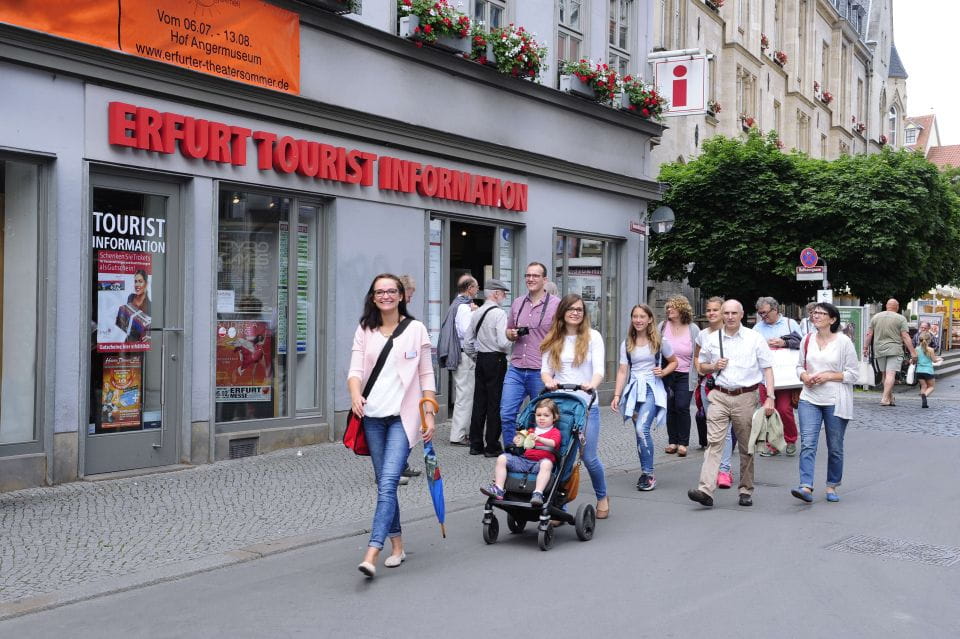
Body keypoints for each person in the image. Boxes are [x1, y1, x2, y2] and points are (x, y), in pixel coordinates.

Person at [349, 274, 436, 578]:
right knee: (384, 483)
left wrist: (429, 412)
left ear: (401, 296)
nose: (385, 295)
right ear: (373, 297)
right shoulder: (365, 330)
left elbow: (427, 375)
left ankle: (372, 552)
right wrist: (355, 394)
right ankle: (397, 547)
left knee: (388, 483)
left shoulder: (416, 330)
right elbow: (355, 371)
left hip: (403, 418)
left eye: (391, 291)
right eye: (379, 292)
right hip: (372, 417)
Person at [688, 300, 776, 508]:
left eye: (733, 313)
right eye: (726, 313)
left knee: (746, 446)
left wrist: (770, 396)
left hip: (746, 396)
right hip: (719, 395)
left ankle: (745, 489)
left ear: (742, 314)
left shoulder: (754, 338)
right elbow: (701, 368)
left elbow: (768, 368)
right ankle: (705, 490)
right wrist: (712, 365)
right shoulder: (711, 338)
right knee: (714, 443)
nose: (729, 317)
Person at [540, 294, 609, 518]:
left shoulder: (592, 337)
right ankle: (560, 507)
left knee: (588, 456)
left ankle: (602, 496)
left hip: (586, 405)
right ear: (562, 312)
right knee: (562, 457)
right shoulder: (554, 338)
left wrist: (592, 384)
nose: (576, 312)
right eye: (571, 309)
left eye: (579, 309)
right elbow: (545, 369)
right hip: (561, 406)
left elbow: (599, 369)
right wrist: (548, 381)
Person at [791, 302, 859, 504]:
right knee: (808, 444)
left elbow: (853, 374)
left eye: (821, 313)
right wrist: (803, 376)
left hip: (835, 400)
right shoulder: (807, 339)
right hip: (809, 398)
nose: (816, 316)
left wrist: (829, 376)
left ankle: (832, 485)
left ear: (833, 319)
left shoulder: (844, 342)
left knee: (835, 446)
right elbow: (798, 366)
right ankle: (805, 486)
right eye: (814, 312)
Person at [611, 304, 677, 492]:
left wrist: (663, 371)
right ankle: (645, 472)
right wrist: (617, 395)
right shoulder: (627, 343)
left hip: (652, 390)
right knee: (639, 434)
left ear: (649, 319)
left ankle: (649, 473)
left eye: (642, 316)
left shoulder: (659, 341)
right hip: (633, 391)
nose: (638, 320)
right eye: (635, 316)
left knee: (642, 428)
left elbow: (674, 362)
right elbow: (623, 370)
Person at [500, 262, 560, 447]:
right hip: (517, 367)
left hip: (540, 370)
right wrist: (510, 334)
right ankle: (512, 452)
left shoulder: (556, 305)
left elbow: (562, 336)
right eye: (528, 275)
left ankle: (539, 456)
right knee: (506, 413)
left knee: (542, 417)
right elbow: (509, 330)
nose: (531, 279)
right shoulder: (518, 303)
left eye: (535, 276)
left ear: (544, 279)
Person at [480, 398, 562, 506]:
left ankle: (538, 493)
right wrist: (517, 441)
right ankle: (498, 488)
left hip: (540, 464)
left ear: (554, 417)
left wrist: (540, 439)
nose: (542, 418)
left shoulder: (555, 432)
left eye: (546, 415)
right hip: (525, 461)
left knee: (547, 463)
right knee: (502, 458)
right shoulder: (530, 431)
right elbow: (522, 443)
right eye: (539, 415)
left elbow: (553, 443)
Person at [465, 279, 512, 457]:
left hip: (482, 359)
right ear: (496, 294)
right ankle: (491, 445)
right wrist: (512, 339)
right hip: (496, 359)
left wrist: (476, 356)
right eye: (503, 293)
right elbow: (503, 342)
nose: (505, 296)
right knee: (495, 402)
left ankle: (475, 444)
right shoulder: (499, 314)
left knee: (479, 402)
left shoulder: (477, 312)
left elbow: (468, 341)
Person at [694, 296, 736, 489]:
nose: (711, 313)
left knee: (725, 431)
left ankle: (724, 470)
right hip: (708, 386)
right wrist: (704, 369)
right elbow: (697, 358)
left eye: (715, 310)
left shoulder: (732, 333)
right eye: (708, 310)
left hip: (729, 388)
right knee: (713, 431)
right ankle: (712, 470)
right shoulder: (703, 335)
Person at [752, 296, 801, 456]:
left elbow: (802, 343)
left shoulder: (790, 323)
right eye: (760, 314)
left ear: (775, 310)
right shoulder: (758, 328)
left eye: (765, 313)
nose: (763, 317)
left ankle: (791, 439)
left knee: (784, 409)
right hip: (764, 376)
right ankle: (773, 444)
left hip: (785, 376)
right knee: (768, 410)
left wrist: (784, 343)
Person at [438, 274, 479, 445]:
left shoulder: (455, 305)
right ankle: (459, 435)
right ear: (470, 289)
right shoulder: (464, 307)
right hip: (464, 355)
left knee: (463, 394)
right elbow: (466, 331)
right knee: (465, 396)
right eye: (476, 288)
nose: (477, 291)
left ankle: (462, 433)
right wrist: (475, 314)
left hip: (459, 354)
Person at [660, 295, 700, 457]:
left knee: (682, 406)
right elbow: (654, 348)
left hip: (685, 374)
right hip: (668, 372)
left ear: (682, 309)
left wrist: (698, 374)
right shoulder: (662, 326)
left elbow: (698, 354)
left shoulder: (693, 329)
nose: (669, 310)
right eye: (668, 307)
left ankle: (683, 443)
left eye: (673, 307)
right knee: (670, 407)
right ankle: (672, 441)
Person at [863, 298, 917, 406]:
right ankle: (884, 398)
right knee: (891, 374)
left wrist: (865, 347)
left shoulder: (876, 317)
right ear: (897, 307)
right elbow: (905, 336)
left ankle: (890, 397)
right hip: (895, 349)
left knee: (885, 374)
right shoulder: (900, 318)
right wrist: (913, 352)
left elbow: (869, 334)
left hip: (879, 349)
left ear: (886, 306)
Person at [396, 274, 422, 481]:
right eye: (410, 296)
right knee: (403, 425)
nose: (411, 300)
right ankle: (392, 467)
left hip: (406, 382)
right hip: (399, 384)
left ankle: (400, 464)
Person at [119, 269, 152, 343]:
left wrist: (150, 336)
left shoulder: (149, 304)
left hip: (141, 342)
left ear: (146, 284)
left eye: (140, 281)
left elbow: (151, 326)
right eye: (135, 281)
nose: (137, 284)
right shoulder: (131, 297)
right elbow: (125, 318)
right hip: (128, 340)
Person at [916, 331, 943, 408]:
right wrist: (940, 359)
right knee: (931, 387)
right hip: (928, 371)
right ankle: (925, 395)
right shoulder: (930, 349)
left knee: (923, 386)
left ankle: (924, 402)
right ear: (929, 340)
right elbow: (934, 360)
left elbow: (915, 359)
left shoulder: (917, 349)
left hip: (919, 371)